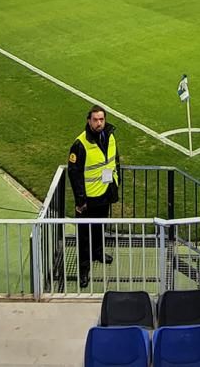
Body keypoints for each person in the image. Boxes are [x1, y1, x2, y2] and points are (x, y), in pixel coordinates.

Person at [66, 104, 119, 287]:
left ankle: (97, 252)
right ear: (89, 121)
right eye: (95, 120)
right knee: (84, 235)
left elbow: (114, 160)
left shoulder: (110, 136)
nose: (99, 123)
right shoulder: (80, 144)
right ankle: (83, 268)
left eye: (101, 119)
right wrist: (80, 200)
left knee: (99, 227)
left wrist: (115, 184)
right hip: (88, 199)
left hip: (105, 192)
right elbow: (74, 173)